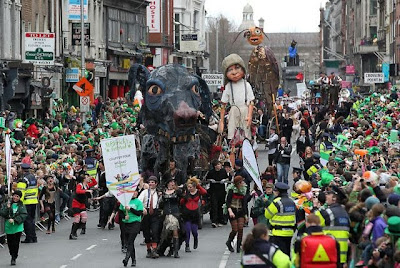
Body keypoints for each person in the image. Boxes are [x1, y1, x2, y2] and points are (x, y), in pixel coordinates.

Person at [219, 54, 255, 140]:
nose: (234, 72)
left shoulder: (246, 85)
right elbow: (223, 105)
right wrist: (221, 121)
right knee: (232, 135)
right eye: (230, 70)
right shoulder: (228, 86)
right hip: (233, 110)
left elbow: (251, 102)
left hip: (245, 110)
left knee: (246, 134)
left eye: (237, 68)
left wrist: (249, 116)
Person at [316, 188, 350, 266]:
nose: (326, 196)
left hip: (327, 254)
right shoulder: (345, 214)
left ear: (334, 198)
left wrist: (315, 208)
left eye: (328, 194)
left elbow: (312, 225)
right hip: (342, 257)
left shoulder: (327, 213)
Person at [264, 182, 296, 256]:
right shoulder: (292, 202)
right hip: (289, 233)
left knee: (277, 256)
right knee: (287, 254)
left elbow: (267, 215)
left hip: (277, 233)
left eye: (275, 191)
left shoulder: (277, 202)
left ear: (278, 192)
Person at [0, 191, 28, 265]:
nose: (15, 198)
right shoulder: (8, 204)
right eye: (14, 196)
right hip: (9, 227)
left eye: (17, 196)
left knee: (16, 242)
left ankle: (14, 257)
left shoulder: (21, 205)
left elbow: (24, 215)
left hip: (17, 227)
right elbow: (2, 213)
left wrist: (15, 220)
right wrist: (7, 208)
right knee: (10, 243)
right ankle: (12, 253)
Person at [158, 177, 183, 258]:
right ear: (168, 183)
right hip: (166, 214)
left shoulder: (177, 192)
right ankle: (167, 249)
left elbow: (183, 197)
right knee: (166, 233)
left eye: (173, 182)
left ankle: (176, 252)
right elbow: (160, 204)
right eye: (171, 182)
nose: (172, 183)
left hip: (175, 214)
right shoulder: (163, 192)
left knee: (175, 231)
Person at [180, 177, 207, 252]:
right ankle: (187, 245)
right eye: (188, 187)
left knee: (194, 231)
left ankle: (195, 239)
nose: (189, 188)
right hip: (187, 213)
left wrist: (198, 186)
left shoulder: (198, 192)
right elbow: (181, 202)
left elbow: (204, 192)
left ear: (194, 187)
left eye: (191, 187)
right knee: (187, 230)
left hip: (195, 213)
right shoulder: (186, 193)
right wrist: (184, 197)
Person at [137, 175, 160, 258]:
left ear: (156, 184)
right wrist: (142, 208)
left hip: (155, 213)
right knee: (146, 232)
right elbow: (139, 201)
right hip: (146, 213)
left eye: (152, 182)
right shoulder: (145, 192)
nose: (150, 184)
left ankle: (154, 250)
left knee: (155, 231)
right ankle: (148, 250)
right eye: (149, 182)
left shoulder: (159, 193)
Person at [69, 172, 97, 240]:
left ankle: (77, 228)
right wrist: (87, 191)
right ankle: (72, 233)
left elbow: (94, 183)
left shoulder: (87, 185)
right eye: (87, 177)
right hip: (76, 203)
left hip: (82, 204)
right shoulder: (80, 185)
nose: (88, 178)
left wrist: (92, 178)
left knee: (84, 218)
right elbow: (78, 191)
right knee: (77, 218)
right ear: (84, 179)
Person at [225, 175, 247, 253]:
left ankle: (238, 245)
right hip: (232, 210)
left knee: (241, 228)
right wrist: (230, 211)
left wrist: (245, 215)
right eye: (242, 182)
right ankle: (229, 241)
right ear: (238, 183)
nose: (243, 183)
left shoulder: (243, 190)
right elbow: (227, 202)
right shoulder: (231, 190)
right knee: (235, 229)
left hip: (240, 211)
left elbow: (244, 204)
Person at [120, 190, 143, 267]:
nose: (134, 193)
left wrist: (130, 209)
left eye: (136, 192)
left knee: (130, 240)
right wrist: (124, 216)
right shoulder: (124, 202)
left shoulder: (138, 202)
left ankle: (126, 258)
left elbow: (139, 213)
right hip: (126, 223)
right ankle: (133, 260)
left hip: (135, 223)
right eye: (132, 192)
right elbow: (120, 212)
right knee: (129, 242)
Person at [19, 163, 38, 244]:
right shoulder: (33, 177)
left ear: (22, 169)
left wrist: (19, 202)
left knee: (27, 221)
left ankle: (29, 238)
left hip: (26, 202)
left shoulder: (23, 179)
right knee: (32, 220)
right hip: (33, 201)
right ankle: (34, 237)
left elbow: (21, 192)